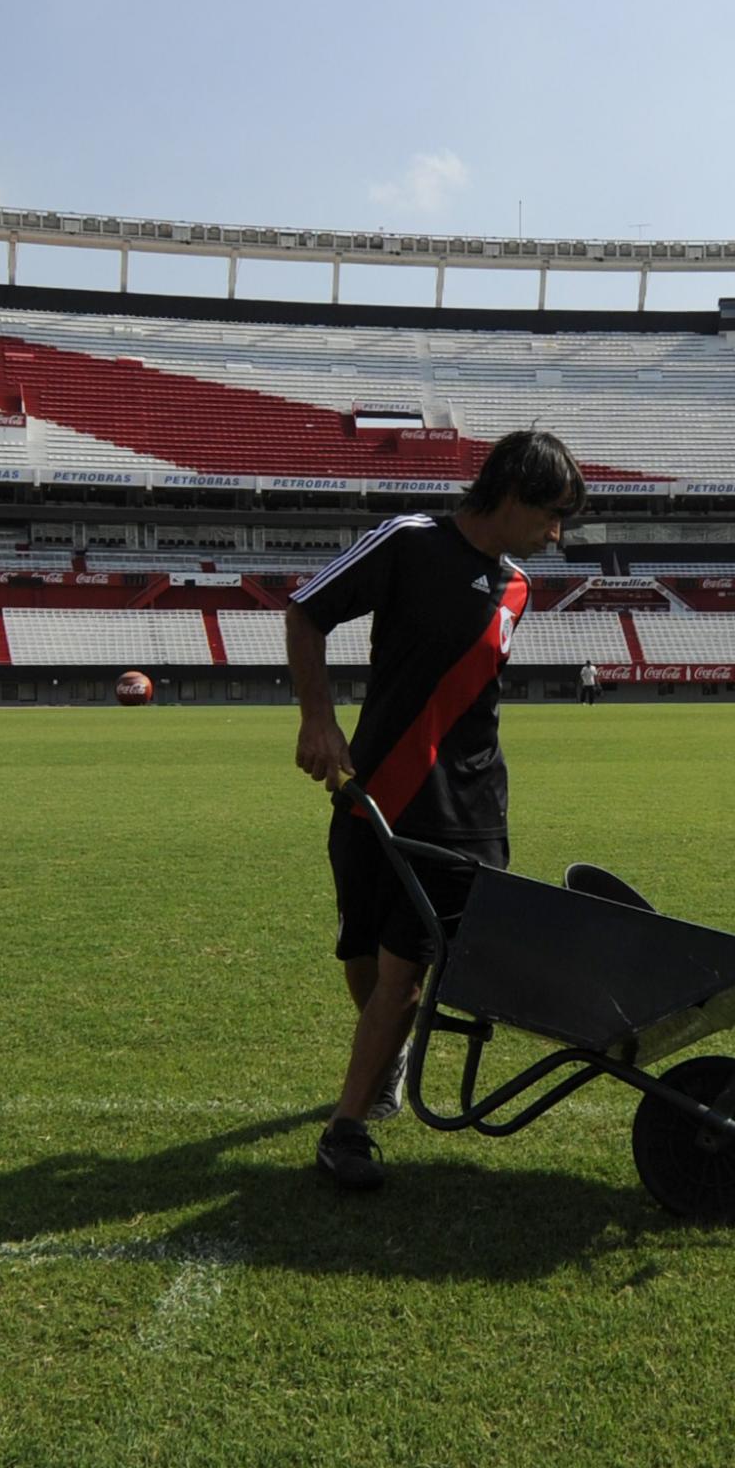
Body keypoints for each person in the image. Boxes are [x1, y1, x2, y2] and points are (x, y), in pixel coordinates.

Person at [285, 428, 587, 1190]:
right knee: (360, 953)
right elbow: (306, 611)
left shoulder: (516, 585)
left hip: (465, 817)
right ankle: (384, 1057)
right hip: (372, 795)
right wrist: (318, 719)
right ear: (512, 492)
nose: (557, 535)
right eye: (553, 514)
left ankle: (346, 1129)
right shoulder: (407, 541)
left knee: (405, 973)